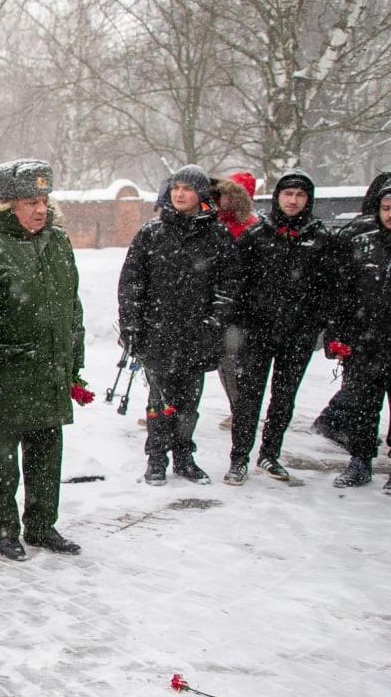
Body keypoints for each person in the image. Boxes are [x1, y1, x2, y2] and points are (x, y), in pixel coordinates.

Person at [0, 159, 84, 561]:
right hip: (11, 370)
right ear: (7, 205)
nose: (40, 209)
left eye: (43, 200)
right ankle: (4, 529)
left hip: (52, 367)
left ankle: (42, 524)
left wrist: (74, 358)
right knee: (4, 458)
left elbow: (71, 305)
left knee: (47, 451)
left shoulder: (57, 242)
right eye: (29, 202)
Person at [118, 165, 237, 486]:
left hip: (197, 335)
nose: (180, 194)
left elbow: (228, 286)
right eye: (175, 188)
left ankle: (185, 457)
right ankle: (156, 459)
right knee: (160, 402)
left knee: (188, 404)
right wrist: (131, 325)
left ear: (201, 194)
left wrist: (214, 322)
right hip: (157, 334)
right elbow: (131, 284)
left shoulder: (217, 236)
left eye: (187, 188)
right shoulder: (151, 233)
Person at [223, 170, 340, 485]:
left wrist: (315, 323)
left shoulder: (321, 239)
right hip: (257, 332)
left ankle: (270, 454)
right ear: (277, 197)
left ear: (308, 200)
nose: (293, 200)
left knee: (284, 398)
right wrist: (242, 320)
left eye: (300, 195)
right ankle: (239, 457)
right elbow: (237, 282)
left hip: (297, 335)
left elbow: (330, 287)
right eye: (288, 194)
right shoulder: (257, 235)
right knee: (249, 397)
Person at [312, 171, 391, 451]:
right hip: (364, 331)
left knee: (361, 390)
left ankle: (337, 422)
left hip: (369, 329)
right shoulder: (359, 238)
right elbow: (340, 289)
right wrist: (339, 330)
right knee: (362, 392)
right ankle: (348, 437)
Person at [330, 182, 391, 490]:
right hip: (365, 341)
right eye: (387, 209)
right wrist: (338, 334)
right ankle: (360, 460)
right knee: (363, 407)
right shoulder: (361, 243)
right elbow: (343, 294)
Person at [209, 172, 258, 416]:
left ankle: (239, 410)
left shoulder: (250, 229)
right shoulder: (214, 224)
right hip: (214, 302)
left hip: (238, 308)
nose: (223, 199)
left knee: (231, 361)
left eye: (229, 194)